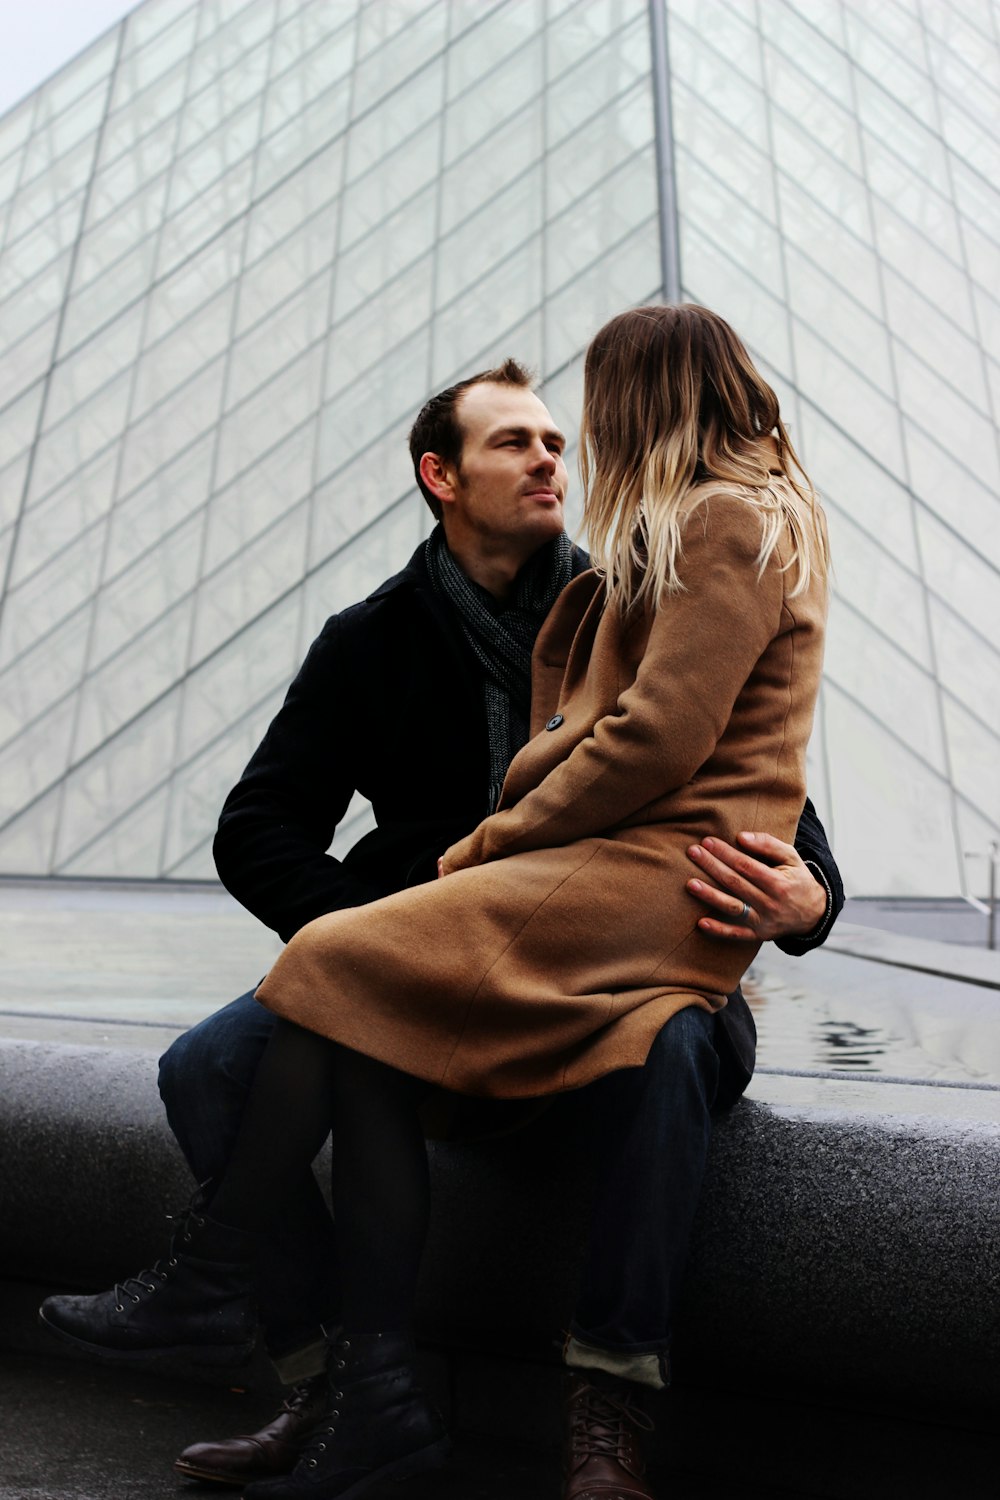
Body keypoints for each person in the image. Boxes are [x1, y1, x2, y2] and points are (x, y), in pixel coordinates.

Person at [40, 312, 840, 1500]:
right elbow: (256, 830)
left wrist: (807, 896)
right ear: (441, 477)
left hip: (628, 953)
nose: (552, 462)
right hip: (448, 935)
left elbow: (757, 787)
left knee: (673, 1046)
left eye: (560, 441)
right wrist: (385, 927)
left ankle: (606, 1408)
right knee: (209, 1066)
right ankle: (336, 1386)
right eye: (515, 443)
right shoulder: (368, 644)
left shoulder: (636, 577)